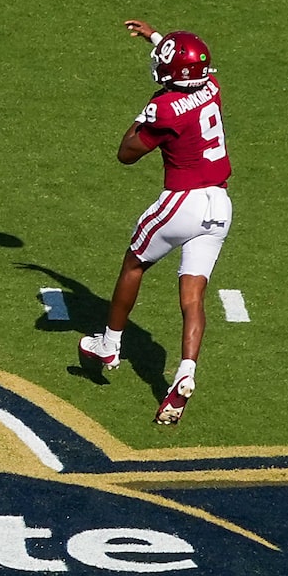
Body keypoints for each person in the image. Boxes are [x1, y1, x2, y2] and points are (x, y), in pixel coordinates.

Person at [78, 23, 234, 425]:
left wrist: (144, 114)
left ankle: (109, 345)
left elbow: (125, 153)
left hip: (182, 200)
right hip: (220, 205)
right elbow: (189, 68)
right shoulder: (212, 88)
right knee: (193, 295)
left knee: (134, 263)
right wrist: (155, 37)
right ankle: (185, 373)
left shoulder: (163, 108)